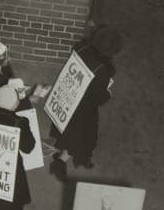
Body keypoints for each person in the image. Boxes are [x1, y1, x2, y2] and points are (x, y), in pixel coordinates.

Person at [50, 24, 123, 179]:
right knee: (83, 137)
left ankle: (64, 159)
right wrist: (108, 93)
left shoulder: (81, 50)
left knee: (70, 133)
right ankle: (67, 161)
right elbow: (98, 98)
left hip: (70, 97)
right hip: (84, 108)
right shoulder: (103, 70)